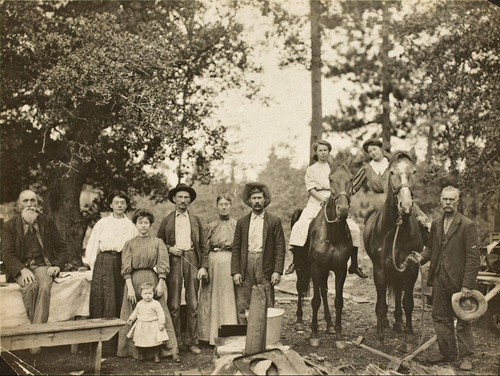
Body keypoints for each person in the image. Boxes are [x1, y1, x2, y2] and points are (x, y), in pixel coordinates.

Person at [409, 186, 480, 371]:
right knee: (440, 317)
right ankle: (447, 353)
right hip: (439, 278)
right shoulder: (437, 223)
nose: (448, 203)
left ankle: (466, 357)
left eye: (452, 200)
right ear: (441, 201)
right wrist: (420, 257)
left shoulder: (467, 225)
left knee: (463, 319)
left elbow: (474, 259)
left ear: (458, 201)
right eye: (445, 199)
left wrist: (467, 285)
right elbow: (431, 249)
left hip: (459, 281)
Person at [286, 140, 367, 278]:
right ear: (316, 153)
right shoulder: (311, 169)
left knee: (354, 229)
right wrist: (322, 199)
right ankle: (296, 261)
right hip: (316, 200)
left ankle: (354, 264)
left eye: (326, 150)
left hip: (335, 200)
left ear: (329, 152)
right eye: (320, 150)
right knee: (300, 226)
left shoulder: (335, 168)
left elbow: (342, 185)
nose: (323, 153)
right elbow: (311, 189)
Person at [2, 190, 69, 353]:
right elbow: (7, 254)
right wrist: (21, 270)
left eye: (33, 201)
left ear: (38, 204)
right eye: (25, 201)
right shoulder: (9, 226)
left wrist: (58, 265)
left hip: (42, 265)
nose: (30, 204)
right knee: (30, 287)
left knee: (44, 287)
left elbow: (62, 248)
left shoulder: (47, 222)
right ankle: (37, 335)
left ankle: (34, 338)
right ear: (19, 205)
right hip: (21, 266)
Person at [117, 209, 179, 362]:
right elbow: (126, 268)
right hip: (133, 281)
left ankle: (169, 349)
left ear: (150, 225)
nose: (143, 226)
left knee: (159, 313)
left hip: (152, 281)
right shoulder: (129, 244)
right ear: (136, 224)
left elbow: (163, 264)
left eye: (146, 223)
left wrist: (161, 283)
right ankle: (133, 350)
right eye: (140, 222)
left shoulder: (158, 242)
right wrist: (130, 287)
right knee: (134, 315)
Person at [84, 190, 138, 355]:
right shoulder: (102, 223)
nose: (119, 205)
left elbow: (133, 249)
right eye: (116, 202)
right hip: (103, 263)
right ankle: (97, 345)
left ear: (126, 205)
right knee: (101, 300)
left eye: (122, 202)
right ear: (111, 205)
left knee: (116, 301)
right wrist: (95, 267)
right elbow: (93, 246)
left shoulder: (130, 226)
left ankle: (114, 346)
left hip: (120, 263)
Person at [157, 183, 208, 355]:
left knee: (193, 303)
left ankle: (192, 341)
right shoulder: (167, 220)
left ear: (190, 201)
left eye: (186, 197)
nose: (183, 200)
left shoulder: (196, 220)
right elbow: (159, 242)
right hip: (174, 261)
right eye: (180, 197)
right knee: (174, 304)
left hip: (192, 259)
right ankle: (175, 342)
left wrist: (203, 266)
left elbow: (204, 246)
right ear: (174, 199)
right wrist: (170, 249)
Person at [231, 182, 285, 324]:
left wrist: (277, 271)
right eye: (254, 198)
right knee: (244, 301)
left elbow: (280, 248)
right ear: (249, 201)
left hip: (265, 263)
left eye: (260, 198)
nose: (257, 201)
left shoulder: (274, 221)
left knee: (266, 299)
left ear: (265, 199)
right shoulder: (242, 222)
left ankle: (266, 337)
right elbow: (236, 248)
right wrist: (236, 271)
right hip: (246, 263)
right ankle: (245, 336)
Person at [352, 138, 430, 228]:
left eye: (374, 149)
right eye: (370, 151)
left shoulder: (392, 163)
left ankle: (426, 231)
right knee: (369, 223)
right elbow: (354, 186)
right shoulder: (367, 168)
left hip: (396, 196)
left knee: (417, 214)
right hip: (378, 200)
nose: (372, 153)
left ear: (381, 149)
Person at [198, 194, 238, 345]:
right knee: (211, 297)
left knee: (228, 298)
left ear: (231, 206)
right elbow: (204, 248)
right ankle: (210, 336)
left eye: (226, 204)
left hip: (229, 262)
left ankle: (229, 334)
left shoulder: (236, 225)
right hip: (213, 262)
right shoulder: (211, 226)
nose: (224, 207)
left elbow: (239, 248)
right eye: (221, 204)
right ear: (217, 206)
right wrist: (205, 267)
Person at [126, 282, 169, 363]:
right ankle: (141, 354)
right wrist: (131, 319)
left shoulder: (156, 303)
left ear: (153, 293)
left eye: (150, 293)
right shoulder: (139, 303)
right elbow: (136, 312)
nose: (148, 295)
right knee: (140, 340)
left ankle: (156, 355)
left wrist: (161, 323)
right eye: (145, 293)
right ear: (141, 294)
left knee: (155, 341)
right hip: (141, 325)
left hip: (153, 324)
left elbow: (160, 313)